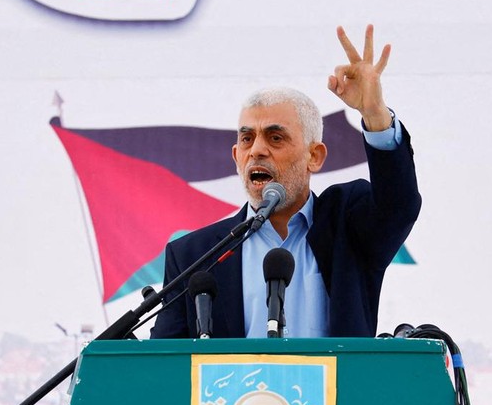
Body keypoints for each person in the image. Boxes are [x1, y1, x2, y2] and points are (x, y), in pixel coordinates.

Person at [150, 25, 421, 338]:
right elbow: (166, 365)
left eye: (275, 138)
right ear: (236, 156)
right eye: (247, 139)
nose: (258, 150)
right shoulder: (194, 257)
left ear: (314, 156)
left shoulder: (349, 229)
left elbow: (398, 205)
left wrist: (374, 114)